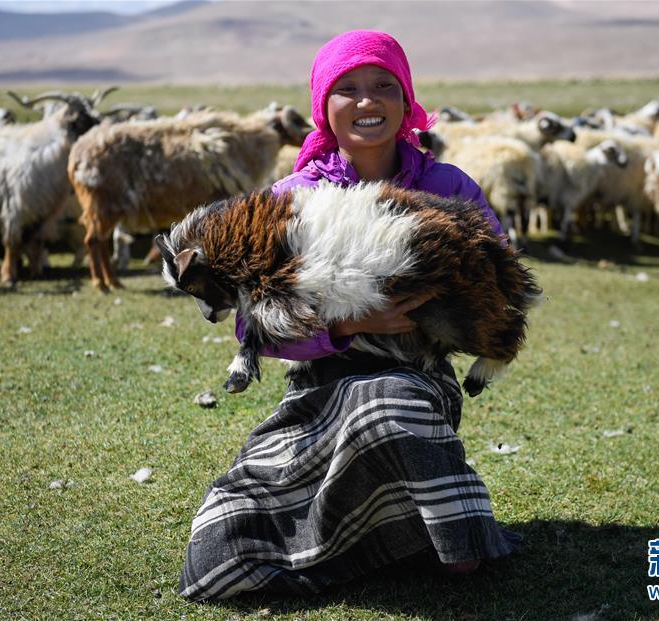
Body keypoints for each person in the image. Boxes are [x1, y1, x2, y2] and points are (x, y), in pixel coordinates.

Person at [179, 30, 520, 602]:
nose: (368, 101)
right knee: (224, 541)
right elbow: (250, 325)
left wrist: (440, 309)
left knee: (387, 408)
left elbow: (498, 274)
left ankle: (450, 535)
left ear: (407, 101)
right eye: (348, 89)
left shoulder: (447, 186)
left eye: (385, 86)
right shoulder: (287, 198)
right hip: (320, 381)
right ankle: (379, 537)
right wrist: (348, 326)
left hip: (418, 374)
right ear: (323, 108)